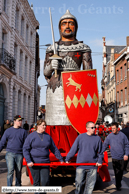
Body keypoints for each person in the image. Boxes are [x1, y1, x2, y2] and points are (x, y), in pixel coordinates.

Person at [44, 10, 92, 126]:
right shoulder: (52, 48)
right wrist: (51, 66)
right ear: (60, 27)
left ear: (76, 27)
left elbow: (88, 74)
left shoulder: (83, 48)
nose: (67, 26)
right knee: (54, 123)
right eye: (64, 23)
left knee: (73, 123)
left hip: (75, 88)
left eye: (71, 23)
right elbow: (45, 73)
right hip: (56, 86)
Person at [23, 119, 64, 193]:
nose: (44, 127)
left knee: (45, 182)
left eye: (45, 125)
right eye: (43, 125)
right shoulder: (31, 136)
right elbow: (25, 149)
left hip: (45, 162)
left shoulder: (48, 136)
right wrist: (29, 161)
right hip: (34, 163)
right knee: (36, 182)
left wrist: (60, 159)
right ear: (38, 126)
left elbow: (54, 148)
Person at [65, 121, 103, 194]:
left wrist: (100, 160)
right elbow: (74, 149)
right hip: (81, 164)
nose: (94, 129)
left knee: (90, 185)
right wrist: (68, 159)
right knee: (79, 183)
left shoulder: (97, 138)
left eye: (95, 127)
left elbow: (101, 152)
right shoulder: (80, 137)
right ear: (87, 128)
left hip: (92, 165)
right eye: (92, 127)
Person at [0, 115, 28, 187]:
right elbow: (2, 143)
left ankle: (18, 187)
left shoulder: (23, 132)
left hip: (19, 154)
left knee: (18, 172)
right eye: (19, 120)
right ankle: (9, 188)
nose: (20, 122)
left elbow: (26, 144)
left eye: (21, 120)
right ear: (14, 121)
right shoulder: (8, 131)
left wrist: (27, 154)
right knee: (10, 171)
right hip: (10, 154)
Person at [101, 122, 129, 191]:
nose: (112, 130)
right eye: (111, 128)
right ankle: (118, 185)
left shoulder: (122, 136)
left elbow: (127, 145)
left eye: (114, 128)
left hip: (122, 157)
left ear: (117, 128)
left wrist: (126, 154)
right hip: (114, 157)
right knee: (116, 172)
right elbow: (105, 145)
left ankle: (118, 182)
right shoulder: (109, 136)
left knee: (121, 172)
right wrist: (100, 152)